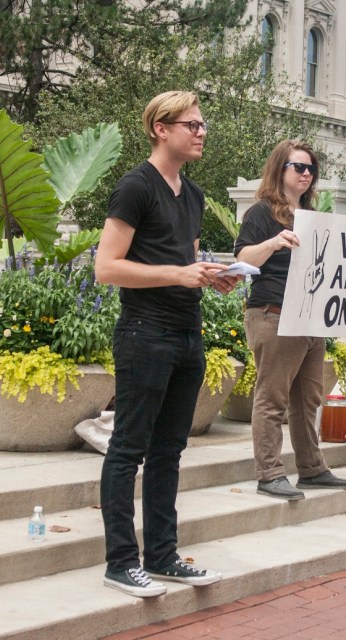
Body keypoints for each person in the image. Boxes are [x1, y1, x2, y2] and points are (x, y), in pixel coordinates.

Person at [96, 90, 237, 598]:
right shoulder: (135, 186)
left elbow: (187, 263)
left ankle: (162, 556)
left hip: (187, 332)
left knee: (169, 452)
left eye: (203, 126)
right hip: (143, 333)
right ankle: (120, 561)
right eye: (192, 125)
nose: (201, 133)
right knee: (128, 448)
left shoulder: (193, 195)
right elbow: (106, 267)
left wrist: (212, 276)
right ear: (161, 127)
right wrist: (179, 273)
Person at [234, 139, 346, 501]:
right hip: (274, 313)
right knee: (273, 398)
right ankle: (269, 472)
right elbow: (243, 258)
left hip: (310, 317)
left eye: (310, 169)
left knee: (309, 398)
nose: (306, 173)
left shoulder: (313, 216)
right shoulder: (261, 214)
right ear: (279, 170)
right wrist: (273, 242)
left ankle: (312, 468)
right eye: (298, 167)